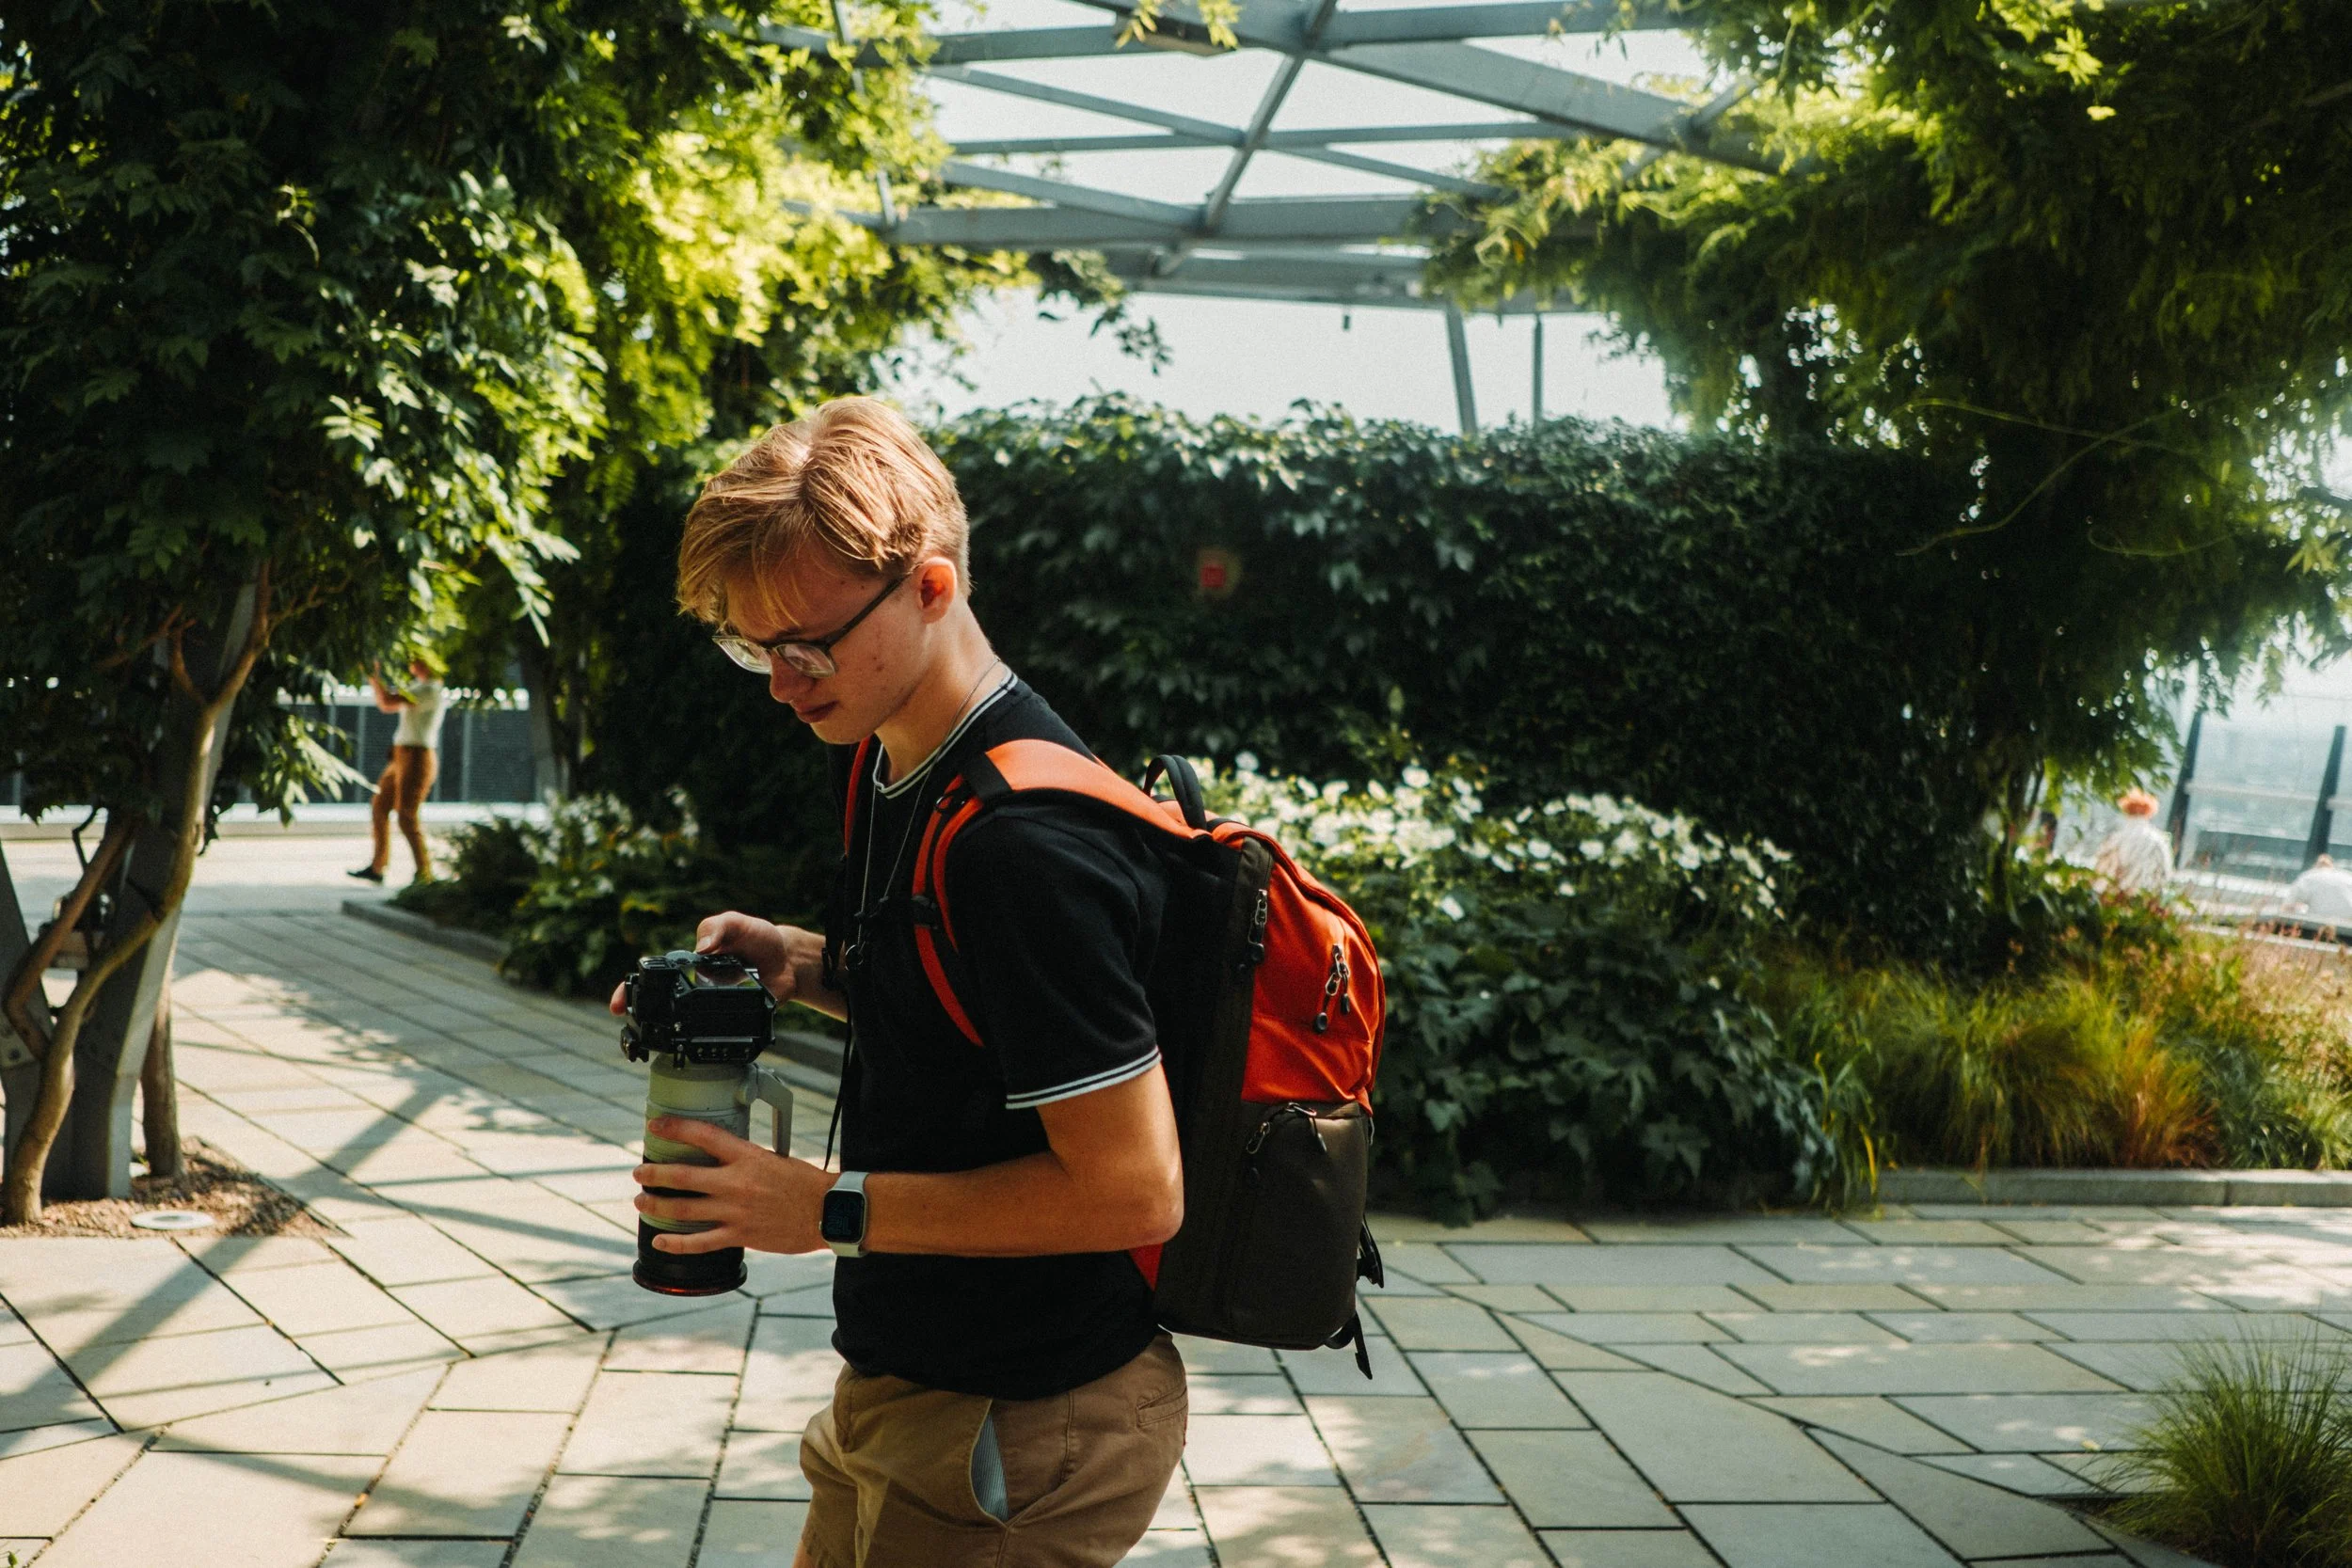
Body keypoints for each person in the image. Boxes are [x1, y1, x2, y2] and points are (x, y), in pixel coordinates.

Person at [613, 397, 1186, 1568]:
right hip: (909, 1388)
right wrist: (799, 960)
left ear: (931, 586)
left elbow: (1136, 1188)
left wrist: (821, 1205)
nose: (780, 682)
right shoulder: (894, 756)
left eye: (805, 646)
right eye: (751, 646)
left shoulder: (1021, 844)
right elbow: (966, 1006)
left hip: (1019, 1419)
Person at [348, 656, 447, 884]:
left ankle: (425, 873)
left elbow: (387, 701)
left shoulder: (430, 690)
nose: (411, 663)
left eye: (416, 659)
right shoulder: (418, 686)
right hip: (401, 754)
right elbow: (386, 703)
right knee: (380, 807)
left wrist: (374, 676)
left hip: (417, 756)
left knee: (407, 816)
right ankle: (377, 867)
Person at [2091, 787, 2172, 895]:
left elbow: (2100, 872)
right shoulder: (2159, 840)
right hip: (2144, 896)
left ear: (2126, 810)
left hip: (2116, 896)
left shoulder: (2115, 839)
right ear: (2150, 812)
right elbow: (2164, 873)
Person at [2284, 853, 2352, 933]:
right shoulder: (2348, 877)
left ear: (2315, 865)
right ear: (2332, 865)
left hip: (2317, 928)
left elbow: (2287, 907)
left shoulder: (2308, 877)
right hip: (2347, 928)